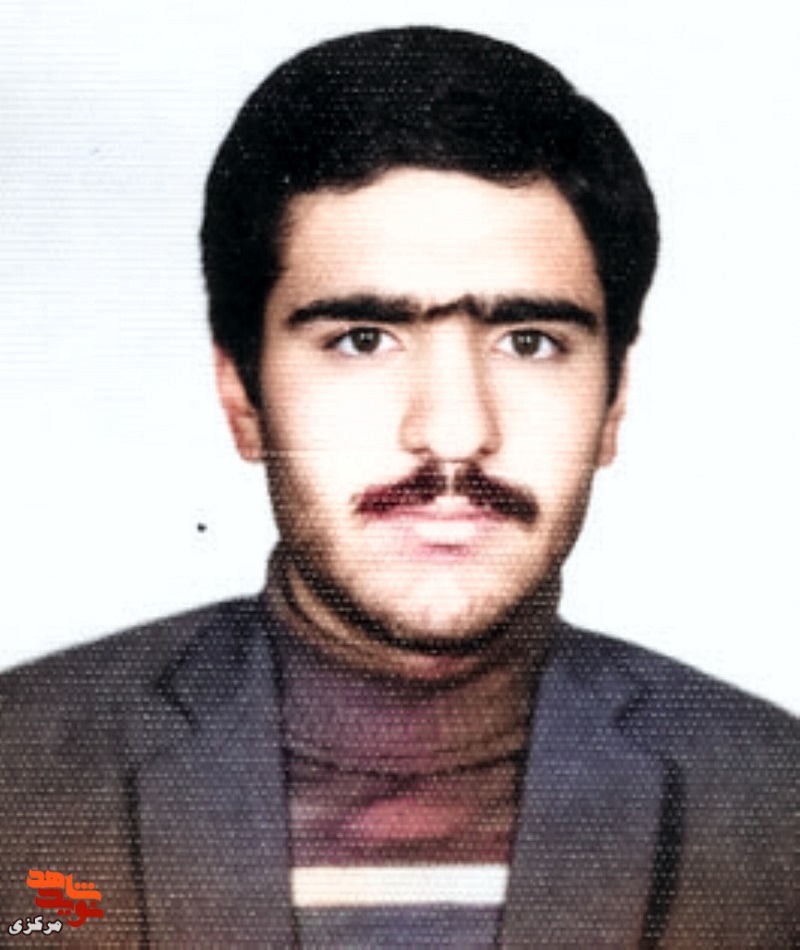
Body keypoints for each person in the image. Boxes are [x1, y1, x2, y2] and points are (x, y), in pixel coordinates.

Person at [0, 26, 796, 949]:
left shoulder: (777, 805)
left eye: (529, 342)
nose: (454, 432)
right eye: (363, 339)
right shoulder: (16, 778)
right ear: (242, 396)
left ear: (614, 400)